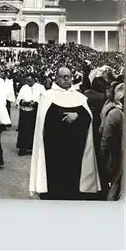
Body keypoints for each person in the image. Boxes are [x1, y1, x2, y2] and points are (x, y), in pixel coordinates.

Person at [29, 66, 101, 200]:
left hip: (75, 148)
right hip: (54, 148)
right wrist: (60, 116)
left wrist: (77, 115)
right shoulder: (47, 96)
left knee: (72, 182)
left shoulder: (80, 97)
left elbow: (88, 118)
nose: (67, 79)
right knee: (54, 183)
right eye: (63, 76)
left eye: (69, 76)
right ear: (56, 78)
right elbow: (43, 121)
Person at [99, 83, 124, 201]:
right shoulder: (115, 113)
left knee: (115, 190)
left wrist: (102, 160)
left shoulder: (114, 114)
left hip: (116, 160)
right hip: (118, 159)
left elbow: (105, 139)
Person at [16, 74, 44, 155]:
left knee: (34, 130)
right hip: (25, 111)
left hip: (35, 111)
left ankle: (34, 148)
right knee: (23, 130)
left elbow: (43, 98)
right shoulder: (24, 87)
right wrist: (22, 102)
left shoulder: (40, 87)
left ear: (34, 80)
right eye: (27, 81)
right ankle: (23, 148)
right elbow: (19, 98)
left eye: (30, 81)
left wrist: (35, 103)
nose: (29, 83)